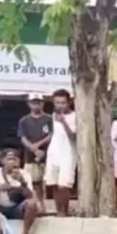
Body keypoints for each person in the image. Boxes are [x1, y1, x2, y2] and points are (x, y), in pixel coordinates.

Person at [0, 149, 39, 234]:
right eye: (10, 159)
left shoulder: (24, 174)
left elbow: (30, 195)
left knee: (32, 204)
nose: (13, 162)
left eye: (15, 159)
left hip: (16, 208)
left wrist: (23, 183)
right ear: (3, 161)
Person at [45, 89, 77, 217]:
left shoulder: (75, 116)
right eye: (57, 103)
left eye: (63, 102)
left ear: (69, 102)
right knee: (54, 184)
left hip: (68, 153)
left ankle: (65, 210)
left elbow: (73, 137)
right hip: (53, 153)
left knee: (64, 185)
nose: (60, 105)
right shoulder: (51, 116)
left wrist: (63, 122)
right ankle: (59, 211)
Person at [17, 93, 52, 205]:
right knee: (32, 182)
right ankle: (35, 204)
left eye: (39, 103)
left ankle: (43, 204)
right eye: (34, 103)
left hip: (48, 156)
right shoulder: (24, 120)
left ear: (43, 103)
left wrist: (39, 145)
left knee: (45, 183)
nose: (36, 105)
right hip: (30, 157)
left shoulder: (49, 119)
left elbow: (52, 134)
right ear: (29, 104)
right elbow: (22, 137)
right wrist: (33, 148)